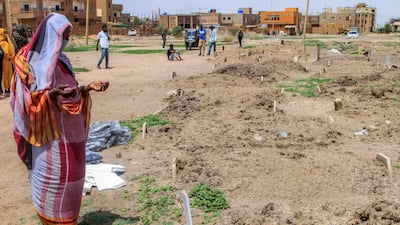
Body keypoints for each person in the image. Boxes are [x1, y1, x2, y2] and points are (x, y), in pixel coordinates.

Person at [10, 13, 110, 225]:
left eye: (69, 35)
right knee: (53, 189)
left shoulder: (63, 61)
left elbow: (70, 90)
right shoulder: (27, 63)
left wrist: (86, 88)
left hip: (71, 138)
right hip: (49, 142)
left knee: (73, 184)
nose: (66, 39)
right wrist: (50, 96)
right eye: (64, 34)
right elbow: (22, 102)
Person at [0, 28, 15, 98]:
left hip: (7, 61)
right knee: (6, 76)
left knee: (7, 76)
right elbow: (7, 51)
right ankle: (7, 90)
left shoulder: (4, 42)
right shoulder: (3, 42)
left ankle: (8, 90)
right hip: (6, 61)